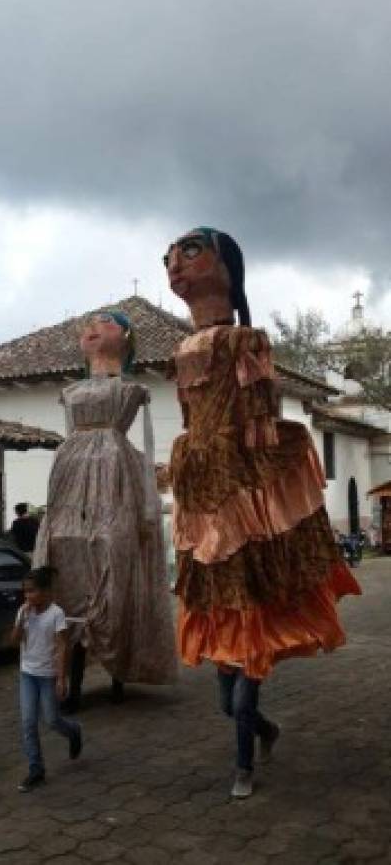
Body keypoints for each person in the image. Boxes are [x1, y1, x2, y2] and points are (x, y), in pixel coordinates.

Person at [163, 227, 361, 799]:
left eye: (190, 251)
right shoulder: (183, 349)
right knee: (227, 694)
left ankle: (243, 767)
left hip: (241, 486)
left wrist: (259, 475)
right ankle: (262, 727)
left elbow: (258, 411)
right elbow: (188, 418)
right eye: (169, 257)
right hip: (205, 492)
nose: (175, 263)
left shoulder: (245, 340)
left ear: (228, 268)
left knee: (244, 677)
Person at [33, 311, 177, 712]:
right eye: (87, 326)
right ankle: (71, 681)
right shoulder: (70, 392)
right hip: (71, 477)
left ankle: (118, 670)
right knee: (68, 575)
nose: (92, 330)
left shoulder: (131, 390)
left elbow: (141, 438)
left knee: (113, 568)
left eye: (105, 324)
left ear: (127, 336)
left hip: (115, 471)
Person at [11, 566, 82, 792]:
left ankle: (74, 732)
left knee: (52, 720)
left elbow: (63, 646)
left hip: (47, 675)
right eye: (25, 592)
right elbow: (13, 642)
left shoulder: (56, 614)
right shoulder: (24, 612)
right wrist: (21, 620)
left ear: (45, 591)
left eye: (32, 591)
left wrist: (62, 678)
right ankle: (36, 769)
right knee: (28, 722)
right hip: (27, 673)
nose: (28, 596)